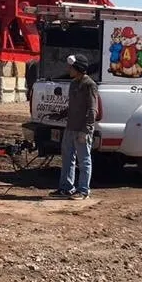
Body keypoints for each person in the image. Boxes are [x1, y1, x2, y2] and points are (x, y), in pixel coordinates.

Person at [50, 53, 98, 200]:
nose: (68, 69)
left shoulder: (89, 85)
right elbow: (72, 106)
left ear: (78, 68)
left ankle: (83, 191)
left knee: (83, 161)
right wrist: (60, 114)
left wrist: (86, 131)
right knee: (67, 159)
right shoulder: (73, 84)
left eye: (71, 67)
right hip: (70, 128)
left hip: (81, 130)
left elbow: (92, 110)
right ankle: (66, 188)